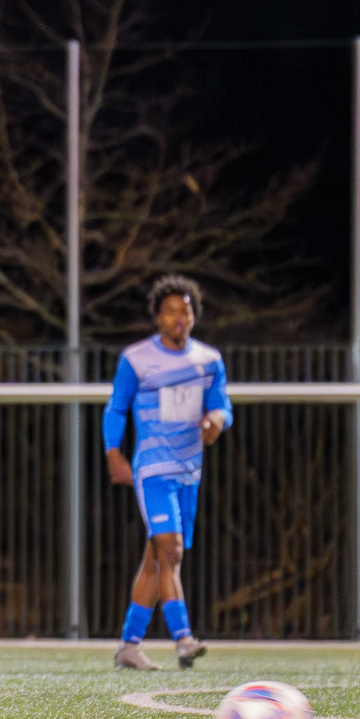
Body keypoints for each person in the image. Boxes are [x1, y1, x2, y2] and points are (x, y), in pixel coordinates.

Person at [102, 274, 233, 671]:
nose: (180, 317)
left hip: (190, 470)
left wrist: (215, 420)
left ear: (194, 317)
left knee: (157, 560)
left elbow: (222, 405)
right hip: (153, 469)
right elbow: (116, 408)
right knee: (171, 550)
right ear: (158, 317)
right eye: (171, 310)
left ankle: (129, 644)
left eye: (186, 310)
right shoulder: (137, 358)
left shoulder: (208, 360)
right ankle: (183, 639)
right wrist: (113, 453)